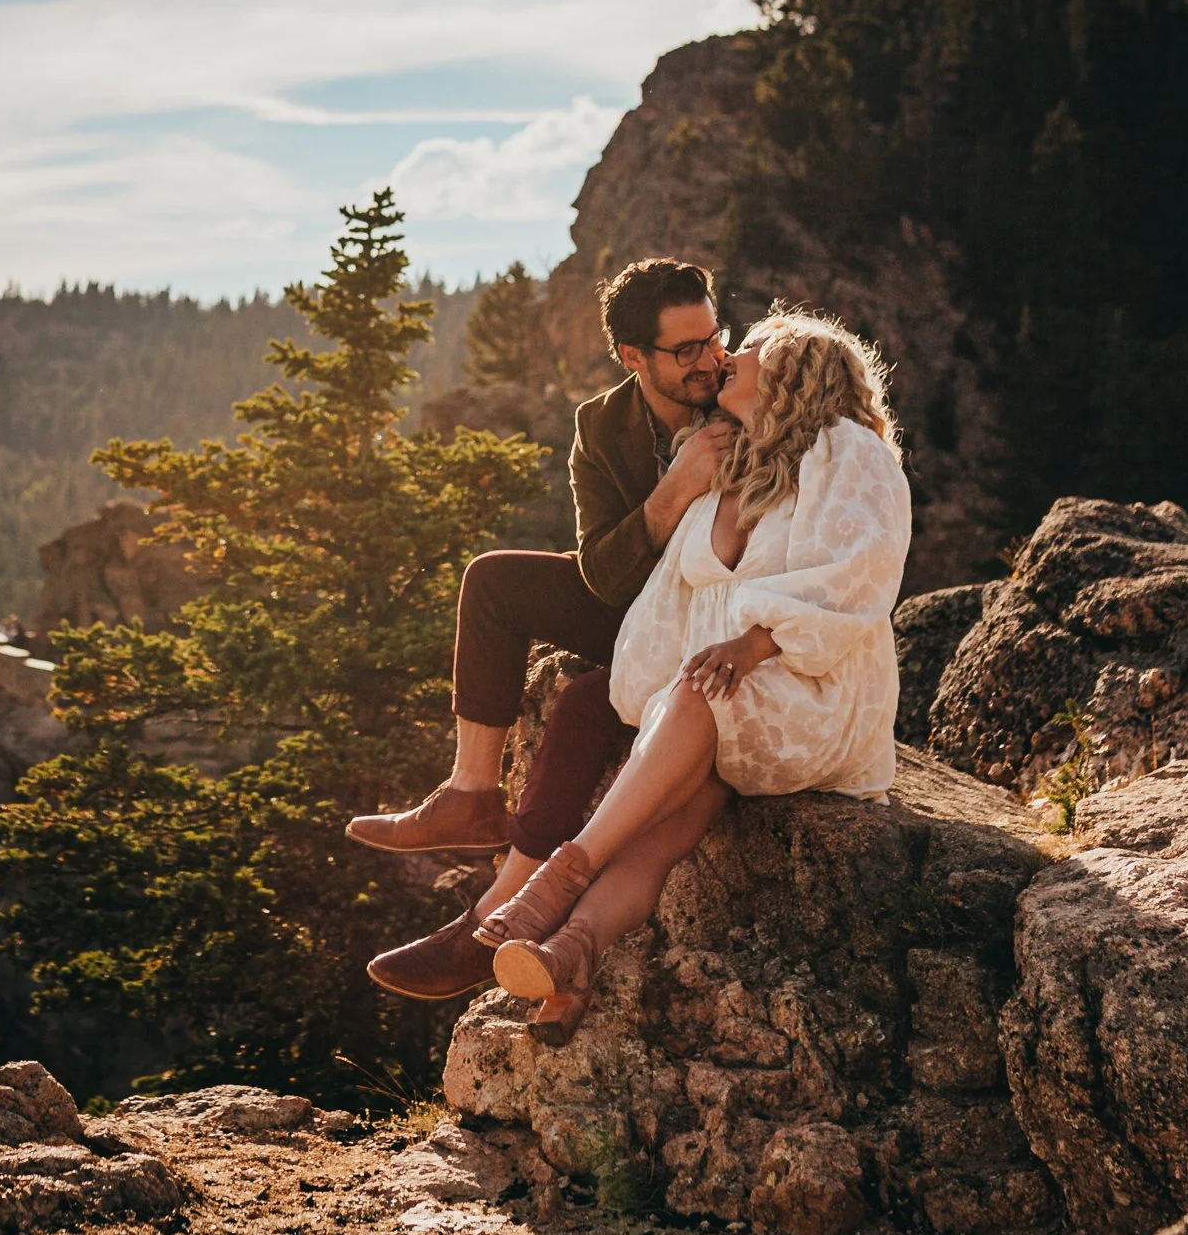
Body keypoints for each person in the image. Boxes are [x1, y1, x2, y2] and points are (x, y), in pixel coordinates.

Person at [473, 306, 912, 1043]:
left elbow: (860, 571)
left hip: (815, 691)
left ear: (794, 369)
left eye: (751, 347)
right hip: (725, 699)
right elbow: (666, 607)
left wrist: (754, 643)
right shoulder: (727, 469)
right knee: (669, 820)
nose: (727, 355)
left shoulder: (845, 449)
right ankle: (569, 956)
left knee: (692, 698)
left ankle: (563, 871)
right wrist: (650, 703)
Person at [347, 258, 736, 1001]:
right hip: (635, 600)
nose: (708, 361)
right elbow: (603, 574)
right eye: (684, 351)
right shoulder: (602, 426)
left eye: (712, 338)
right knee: (492, 579)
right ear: (632, 357)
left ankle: (488, 921)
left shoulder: (742, 399)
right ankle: (470, 792)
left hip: (713, 616)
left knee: (588, 703)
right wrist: (674, 489)